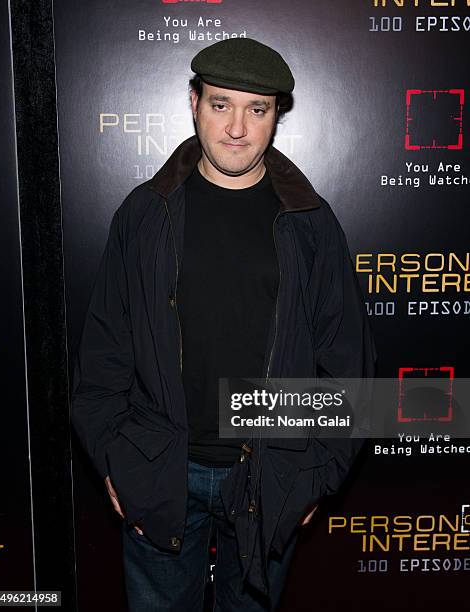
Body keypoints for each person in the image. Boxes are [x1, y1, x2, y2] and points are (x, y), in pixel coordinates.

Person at [71, 37, 376, 611]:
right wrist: (117, 461)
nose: (237, 127)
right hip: (160, 474)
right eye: (220, 105)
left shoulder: (310, 223)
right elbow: (104, 350)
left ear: (275, 116)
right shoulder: (145, 213)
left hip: (270, 476)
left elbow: (348, 361)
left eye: (256, 109)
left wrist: (317, 473)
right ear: (194, 102)